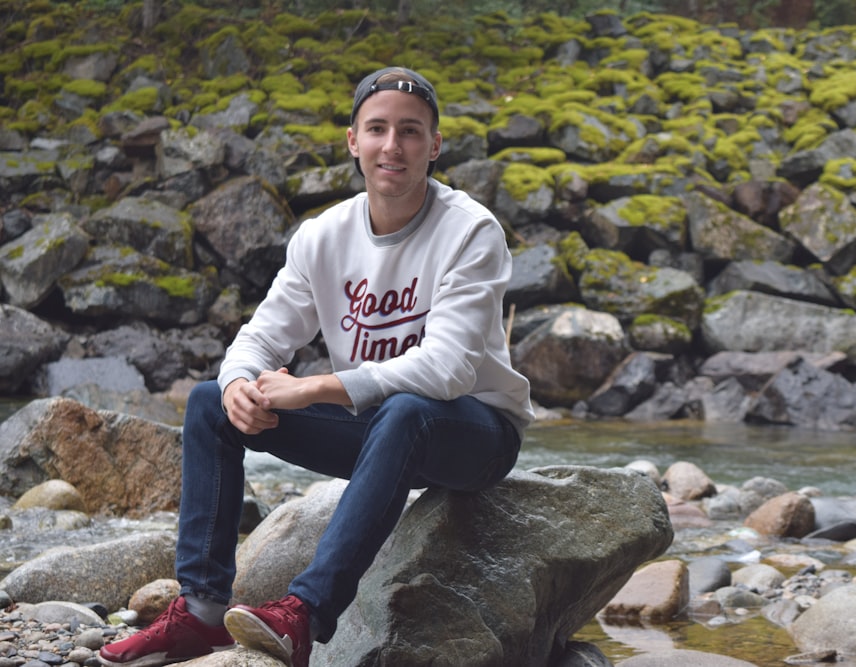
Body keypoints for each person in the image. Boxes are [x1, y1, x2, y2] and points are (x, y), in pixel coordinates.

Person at [97, 66, 534, 667]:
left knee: (407, 410)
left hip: (474, 435)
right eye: (377, 129)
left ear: (434, 146)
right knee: (206, 403)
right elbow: (258, 340)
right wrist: (238, 387)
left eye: (410, 132)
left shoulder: (470, 231)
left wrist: (314, 388)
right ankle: (200, 613)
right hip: (378, 431)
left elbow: (450, 370)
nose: (392, 145)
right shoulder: (322, 236)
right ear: (353, 141)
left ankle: (304, 614)